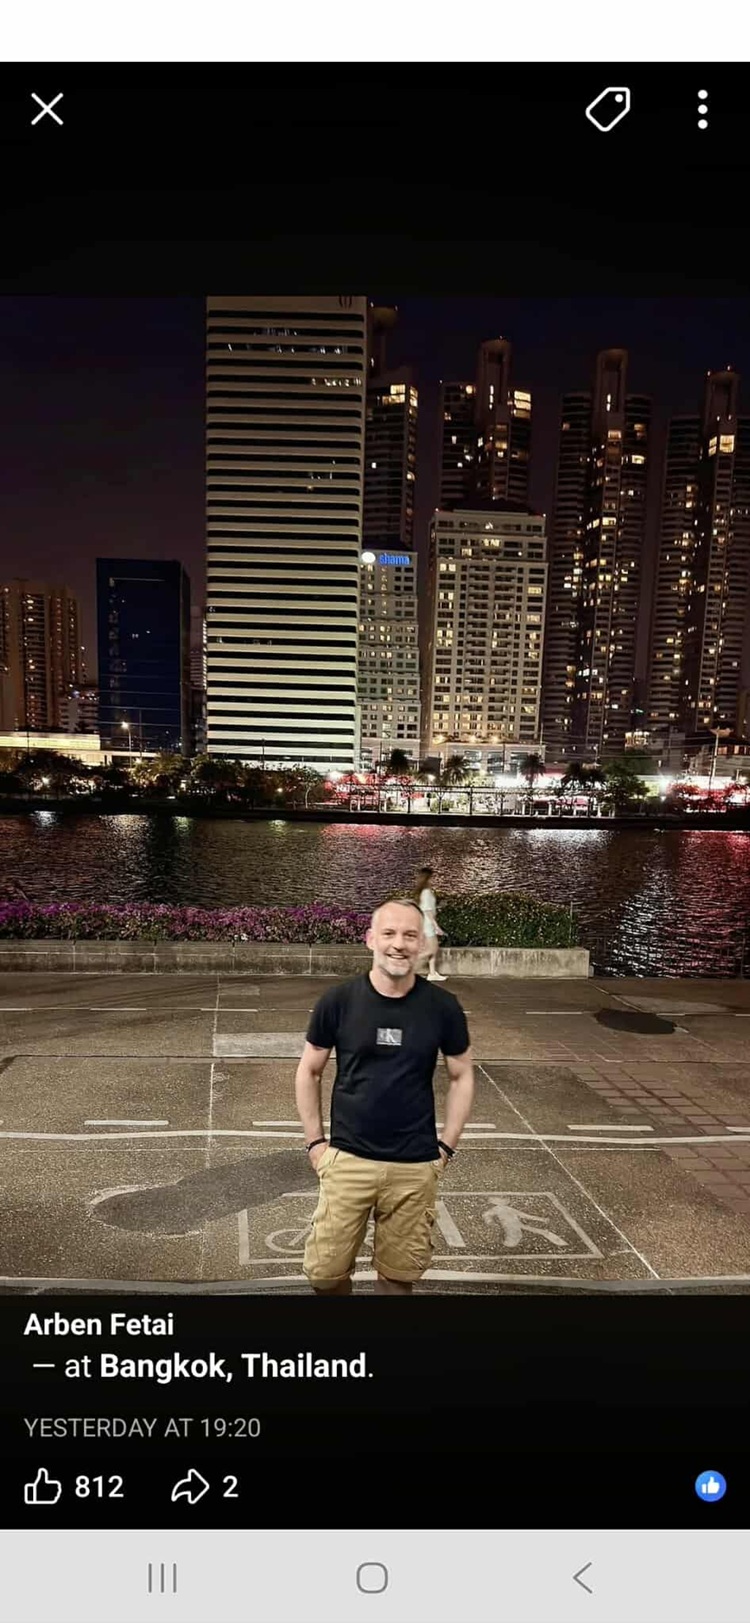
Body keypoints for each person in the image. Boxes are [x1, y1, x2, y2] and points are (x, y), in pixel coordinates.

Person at [295, 898, 474, 1296]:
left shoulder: (443, 1007)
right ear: (370, 939)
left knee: (397, 1278)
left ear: (422, 944)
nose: (399, 944)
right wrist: (315, 1144)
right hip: (348, 1159)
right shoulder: (338, 1002)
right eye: (389, 933)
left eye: (410, 935)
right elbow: (309, 1070)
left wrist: (445, 1148)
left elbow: (462, 1075)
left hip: (414, 1165)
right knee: (324, 1275)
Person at [414, 864, 446, 981]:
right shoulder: (426, 892)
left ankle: (432, 973)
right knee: (432, 949)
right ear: (428, 878)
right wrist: (436, 926)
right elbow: (427, 911)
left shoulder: (424, 892)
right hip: (428, 925)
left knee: (432, 950)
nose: (434, 879)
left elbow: (427, 907)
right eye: (432, 877)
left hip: (426, 923)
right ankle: (410, 965)